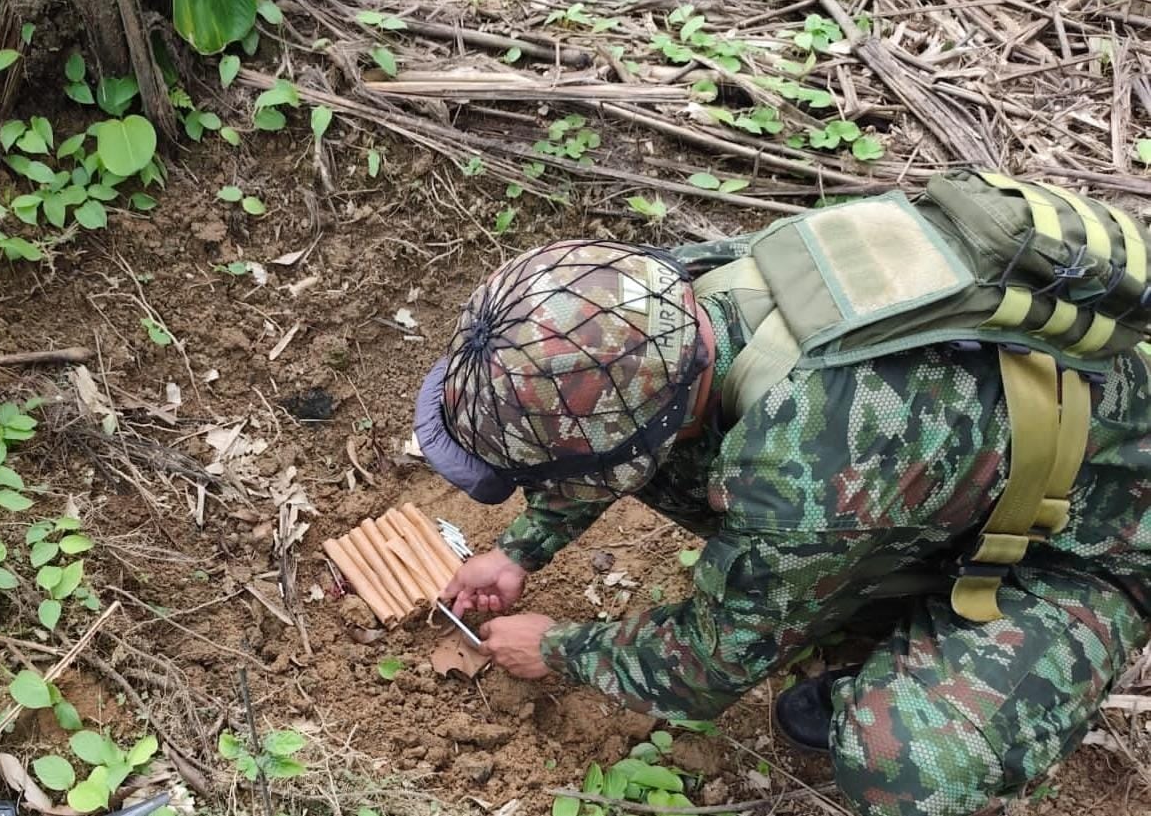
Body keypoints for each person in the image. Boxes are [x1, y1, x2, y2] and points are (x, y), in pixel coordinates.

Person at [411, 172, 1151, 816]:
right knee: (714, 492)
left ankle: (935, 678)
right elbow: (615, 422)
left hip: (1100, 543)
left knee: (904, 766)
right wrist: (520, 547)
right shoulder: (664, 298)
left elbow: (704, 668)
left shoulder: (800, 477)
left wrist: (557, 647)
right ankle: (882, 587)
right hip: (964, 461)